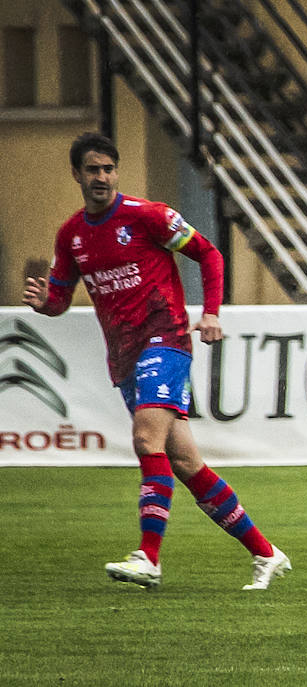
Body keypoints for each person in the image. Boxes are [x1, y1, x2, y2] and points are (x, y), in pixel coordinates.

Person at [23, 132, 290, 590]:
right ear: (77, 175)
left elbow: (208, 253)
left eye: (109, 168)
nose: (102, 177)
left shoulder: (148, 216)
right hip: (125, 356)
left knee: (148, 441)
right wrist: (45, 302)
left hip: (164, 339)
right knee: (185, 463)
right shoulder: (71, 235)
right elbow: (61, 300)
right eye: (93, 170)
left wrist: (210, 313)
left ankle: (149, 557)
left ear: (117, 172)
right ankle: (266, 554)